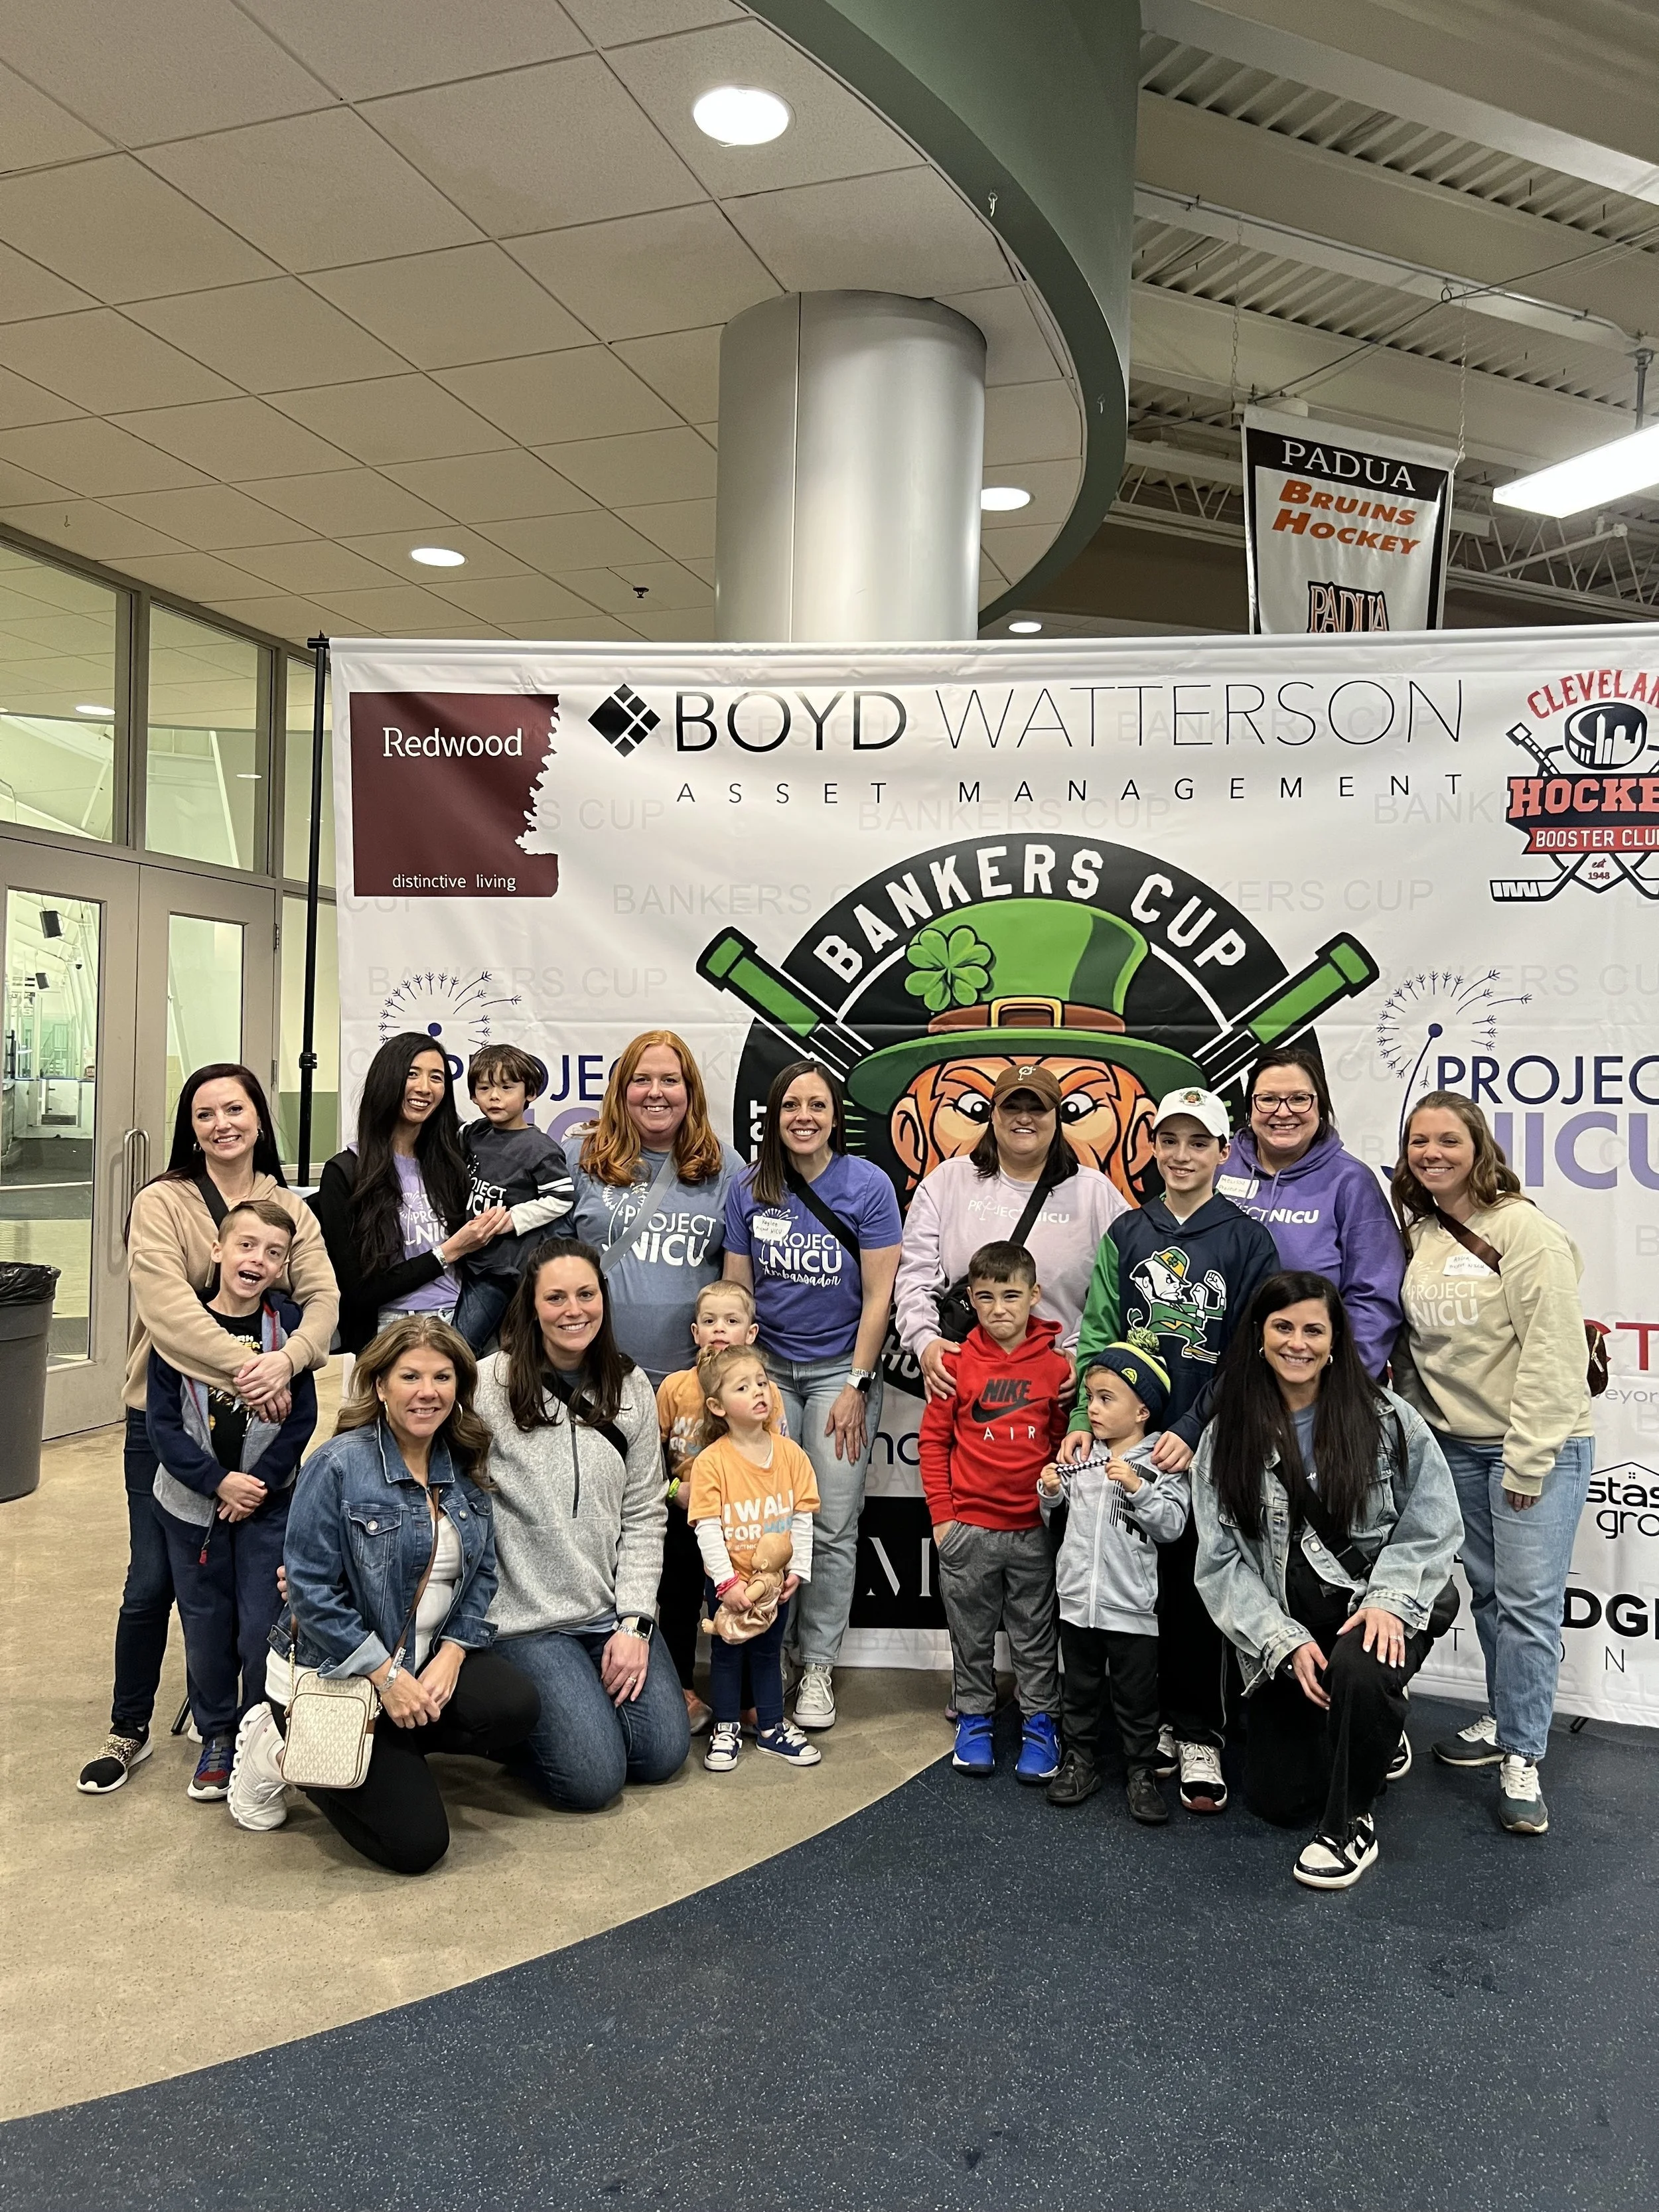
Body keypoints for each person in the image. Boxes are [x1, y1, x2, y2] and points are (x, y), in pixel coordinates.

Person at [78, 1062, 338, 1797]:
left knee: (252, 1593)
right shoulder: (162, 1201)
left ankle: (231, 1722)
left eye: (235, 1109)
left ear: (259, 1118)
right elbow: (168, 1312)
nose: (222, 1124)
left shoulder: (290, 1208)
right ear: (189, 1128)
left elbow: (323, 1301)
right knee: (151, 1583)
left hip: (265, 1431)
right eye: (204, 1113)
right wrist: (255, 1370)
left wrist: (288, 1359)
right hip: (169, 1423)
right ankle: (127, 1728)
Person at [228, 1317, 541, 1873]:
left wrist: (453, 1652)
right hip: (340, 1672)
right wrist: (386, 1676)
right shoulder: (338, 1465)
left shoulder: (463, 1462)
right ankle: (277, 1751)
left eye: (442, 1377)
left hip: (422, 1658)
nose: (428, 1391)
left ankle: (390, 1752)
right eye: (410, 1376)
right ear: (380, 1385)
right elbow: (310, 1592)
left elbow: (482, 1574)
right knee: (417, 1846)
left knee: (513, 1706)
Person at [1191, 1271, 1462, 1889]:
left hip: (1374, 1605)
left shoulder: (1386, 1418)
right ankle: (1368, 1726)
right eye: (1283, 1327)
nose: (1298, 1343)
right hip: (1291, 1619)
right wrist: (1280, 1641)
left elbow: (1435, 1521)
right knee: (1279, 1799)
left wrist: (1389, 1600)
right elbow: (1219, 1564)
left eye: (1314, 1329)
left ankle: (1349, 1825)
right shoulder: (1225, 1437)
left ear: (1335, 1338)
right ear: (1259, 1335)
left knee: (1364, 1664)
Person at [1063, 1086, 1279, 1815]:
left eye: (1198, 1142)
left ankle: (1198, 1730)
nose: (1182, 1156)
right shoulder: (1129, 1231)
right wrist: (1085, 1413)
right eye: (1169, 1141)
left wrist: (1191, 1424)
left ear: (1224, 1151)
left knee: (1194, 1584)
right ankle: (1144, 1721)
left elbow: (1250, 1350)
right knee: (1135, 1585)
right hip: (1129, 1443)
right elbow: (1098, 1332)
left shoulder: (1246, 1240)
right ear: (1151, 1147)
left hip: (1206, 1441)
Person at [1390, 1090, 1595, 1836]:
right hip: (1454, 1447)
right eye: (1419, 1141)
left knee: (1528, 1605)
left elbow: (1554, 1352)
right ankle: (1507, 1715)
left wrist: (1528, 1459)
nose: (1432, 1153)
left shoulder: (1523, 1230)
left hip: (1532, 1446)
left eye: (1448, 1139)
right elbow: (1418, 1352)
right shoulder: (1419, 1233)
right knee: (1487, 1595)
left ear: (1479, 1147)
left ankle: (1523, 1754)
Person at [473, 1241, 690, 1811]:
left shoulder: (631, 1385)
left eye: (586, 1294)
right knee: (594, 1781)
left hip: (607, 1613)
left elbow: (645, 1512)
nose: (574, 1310)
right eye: (556, 1297)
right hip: (527, 1624)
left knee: (663, 1753)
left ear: (603, 1299)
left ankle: (576, 1715)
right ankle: (511, 1730)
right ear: (532, 1304)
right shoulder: (485, 1385)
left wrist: (635, 1623)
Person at [724, 1057, 902, 1733]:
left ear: (835, 1116)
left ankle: (818, 1663)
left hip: (838, 1374)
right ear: (773, 1116)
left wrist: (857, 1383)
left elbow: (879, 1295)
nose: (803, 1117)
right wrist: (743, 1380)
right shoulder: (749, 1188)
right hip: (767, 1372)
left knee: (829, 1525)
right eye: (791, 1105)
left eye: (817, 1105)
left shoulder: (868, 1184)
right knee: (769, 1523)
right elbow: (738, 1293)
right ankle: (769, 1653)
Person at [147, 1201, 319, 1802]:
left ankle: (254, 1730)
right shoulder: (180, 1325)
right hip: (193, 1510)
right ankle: (217, 1730)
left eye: (274, 1253)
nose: (258, 1260)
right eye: (246, 1245)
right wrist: (217, 1482)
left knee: (260, 1626)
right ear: (218, 1250)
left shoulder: (288, 1327)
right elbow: (163, 1426)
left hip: (266, 1508)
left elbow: (302, 1419)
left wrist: (258, 1485)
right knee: (206, 1625)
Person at [919, 1241, 1069, 1785]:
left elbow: (1063, 1444)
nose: (999, 1308)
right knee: (971, 1634)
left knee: (1035, 1635)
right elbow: (933, 1444)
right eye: (985, 1297)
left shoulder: (1058, 1368)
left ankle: (1040, 1724)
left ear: (1034, 1295)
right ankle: (975, 1717)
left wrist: (1055, 1514)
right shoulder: (954, 1365)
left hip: (1033, 1531)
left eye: (1011, 1295)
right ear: (971, 1299)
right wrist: (944, 1520)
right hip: (969, 1531)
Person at [894, 1061, 1127, 1402]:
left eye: (1037, 1108)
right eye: (1012, 1107)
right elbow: (915, 1276)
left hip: (1054, 1389)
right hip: (963, 1384)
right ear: (993, 1115)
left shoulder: (1097, 1195)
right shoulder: (946, 1182)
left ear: (1057, 1117)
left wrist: (1081, 1355)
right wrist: (925, 1340)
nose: (1024, 1118)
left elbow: (1115, 1293)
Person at [1039, 1343, 1184, 1824]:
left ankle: (1141, 1772)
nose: (1093, 1410)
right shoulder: (1082, 1454)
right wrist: (1050, 1492)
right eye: (1090, 1398)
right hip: (1077, 1603)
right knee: (1078, 1690)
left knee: (1137, 1699)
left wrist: (1139, 1488)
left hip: (1132, 1608)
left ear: (1142, 1411)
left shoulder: (1161, 1460)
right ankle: (1079, 1761)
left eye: (1106, 1399)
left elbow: (1173, 1526)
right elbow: (1055, 1516)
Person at [559, 1029, 745, 1385]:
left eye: (670, 1080)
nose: (655, 1092)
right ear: (621, 1090)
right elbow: (550, 1266)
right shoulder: (580, 1158)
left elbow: (737, 1283)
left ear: (690, 1091)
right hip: (592, 1374)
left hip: (693, 1381)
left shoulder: (725, 1166)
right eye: (641, 1079)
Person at [312, 1032, 510, 1355]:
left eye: (437, 1078)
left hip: (464, 1322)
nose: (424, 1088)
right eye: (412, 1074)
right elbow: (357, 1291)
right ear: (387, 1079)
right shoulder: (346, 1172)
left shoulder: (453, 1163)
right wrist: (448, 1251)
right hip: (389, 1332)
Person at [1218, 1045, 1403, 1377]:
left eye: (1299, 1099)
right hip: (1220, 1375)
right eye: (1268, 1099)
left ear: (1321, 1105)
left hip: (1313, 1377)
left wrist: (1340, 1380)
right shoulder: (1218, 1166)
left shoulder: (1351, 1181)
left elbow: (1374, 1297)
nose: (1283, 1112)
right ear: (1250, 1107)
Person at [656, 1279, 787, 1732]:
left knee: (742, 1604)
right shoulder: (674, 1388)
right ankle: (681, 1689)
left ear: (750, 1333)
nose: (719, 1329)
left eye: (731, 1321)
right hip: (683, 1519)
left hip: (740, 1527)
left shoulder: (766, 1394)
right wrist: (675, 1490)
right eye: (709, 1321)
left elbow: (778, 1459)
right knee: (678, 1603)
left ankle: (748, 1699)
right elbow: (649, 1463)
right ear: (695, 1332)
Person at [688, 1345, 822, 1774]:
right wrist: (727, 1584)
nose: (758, 1392)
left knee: (768, 1653)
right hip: (729, 1585)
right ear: (718, 1406)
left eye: (762, 1383)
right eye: (743, 1387)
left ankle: (770, 1727)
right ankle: (726, 1726)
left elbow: (802, 1516)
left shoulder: (792, 1454)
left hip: (774, 1587)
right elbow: (707, 1528)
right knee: (727, 1656)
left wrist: (798, 1569)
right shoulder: (712, 1462)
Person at [453, 1045, 574, 1353]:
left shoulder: (538, 1147)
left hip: (500, 1269)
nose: (495, 1097)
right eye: (484, 1088)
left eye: (507, 1088)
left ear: (529, 1093)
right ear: (473, 1096)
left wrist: (512, 1220)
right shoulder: (472, 1133)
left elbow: (562, 1197)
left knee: (460, 1345)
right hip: (464, 1259)